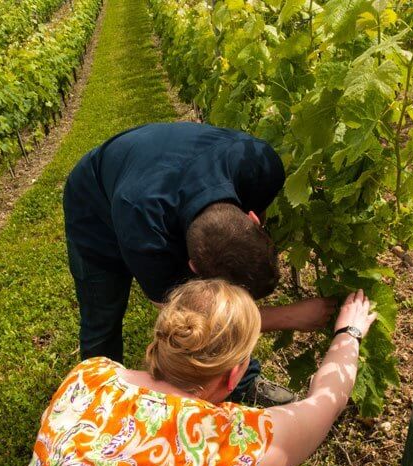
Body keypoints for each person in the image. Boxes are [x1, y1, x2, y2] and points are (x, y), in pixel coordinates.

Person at [62, 122, 335, 405]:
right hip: (94, 206)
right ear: (192, 266)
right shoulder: (144, 230)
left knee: (220, 308)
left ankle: (244, 382)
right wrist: (290, 316)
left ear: (253, 219)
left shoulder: (261, 167)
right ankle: (94, 399)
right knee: (102, 315)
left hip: (156, 171)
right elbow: (185, 314)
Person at [23, 279, 376, 466]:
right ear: (236, 374)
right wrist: (350, 331)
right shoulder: (216, 440)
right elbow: (325, 404)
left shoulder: (89, 373)